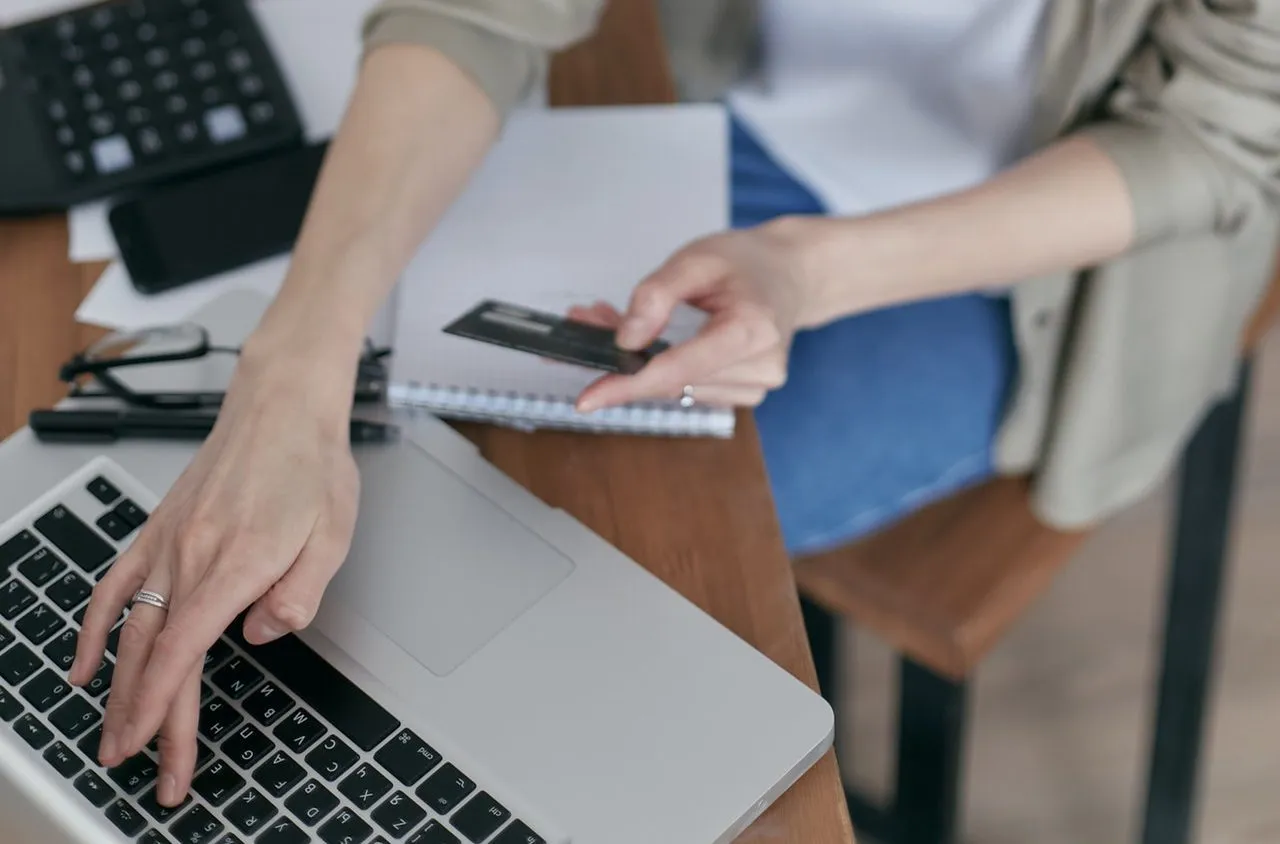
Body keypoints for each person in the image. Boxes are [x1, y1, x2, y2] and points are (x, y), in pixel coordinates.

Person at [68, 0, 1280, 807]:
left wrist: (805, 269)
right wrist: (292, 371)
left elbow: (1219, 137)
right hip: (715, 95)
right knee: (425, 498)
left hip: (1026, 257)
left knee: (598, 580)